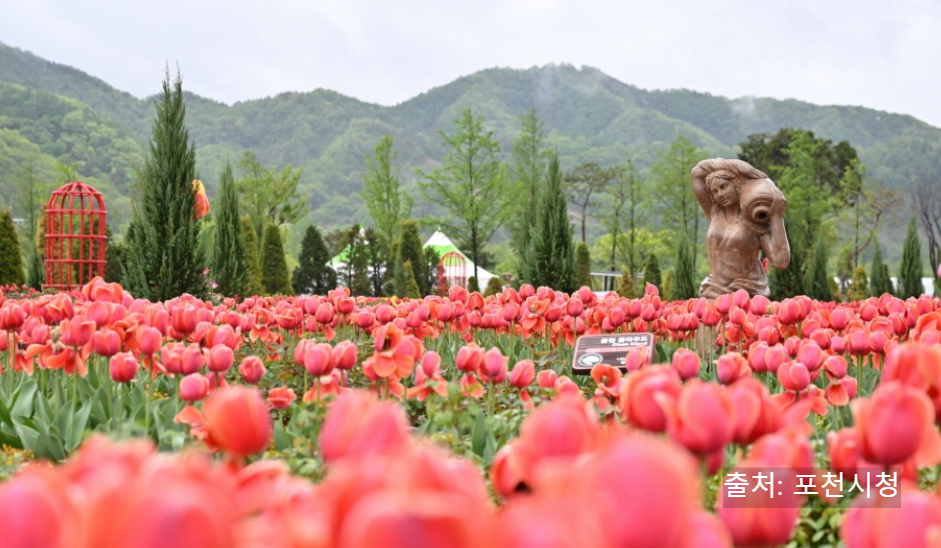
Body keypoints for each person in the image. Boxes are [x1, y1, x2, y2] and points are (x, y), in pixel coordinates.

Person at [691, 158, 790, 298]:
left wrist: (776, 217)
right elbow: (697, 172)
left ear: (737, 184)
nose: (720, 194)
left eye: (724, 186)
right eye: (715, 191)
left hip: (746, 292)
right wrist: (736, 165)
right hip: (713, 290)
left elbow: (781, 261)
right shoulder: (715, 213)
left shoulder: (755, 221)